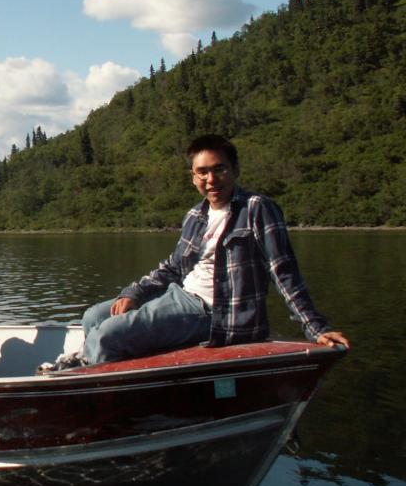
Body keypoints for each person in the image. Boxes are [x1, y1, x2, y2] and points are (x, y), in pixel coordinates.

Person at [77, 134, 350, 365]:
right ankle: (106, 372)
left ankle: (101, 397)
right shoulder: (196, 215)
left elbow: (284, 272)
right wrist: (134, 293)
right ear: (193, 177)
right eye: (202, 172)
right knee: (94, 316)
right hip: (181, 296)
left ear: (234, 170)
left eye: (219, 169)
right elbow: (173, 267)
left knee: (106, 335)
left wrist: (316, 329)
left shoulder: (257, 208)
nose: (211, 179)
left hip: (214, 313)